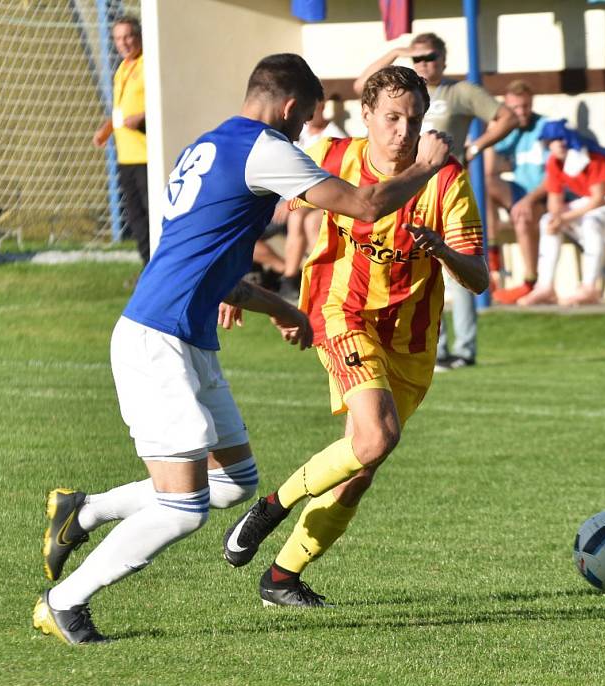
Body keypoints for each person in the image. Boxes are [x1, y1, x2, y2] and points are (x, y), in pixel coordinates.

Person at [32, 53, 451, 645]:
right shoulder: (266, 148)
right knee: (184, 508)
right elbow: (366, 205)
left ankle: (86, 510)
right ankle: (64, 601)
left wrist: (282, 308)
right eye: (306, 119)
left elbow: (206, 263)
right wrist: (428, 167)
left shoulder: (206, 147)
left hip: (187, 337)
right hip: (157, 339)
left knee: (233, 482)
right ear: (287, 108)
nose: (307, 131)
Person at [222, 66, 489, 608]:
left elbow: (479, 277)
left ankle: (282, 577)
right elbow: (258, 205)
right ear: (366, 116)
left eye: (413, 119)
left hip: (411, 341)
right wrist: (230, 282)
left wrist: (442, 251)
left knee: (362, 465)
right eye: (391, 118)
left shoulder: (445, 179)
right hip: (341, 313)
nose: (403, 131)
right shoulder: (334, 157)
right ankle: (273, 506)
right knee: (375, 438)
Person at [353, 32, 516, 372]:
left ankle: (465, 347)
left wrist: (475, 147)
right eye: (418, 58)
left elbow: (507, 117)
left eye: (430, 57)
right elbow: (362, 88)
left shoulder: (461, 92)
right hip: (410, 185)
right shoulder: (407, 93)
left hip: (446, 186)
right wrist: (396, 51)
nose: (424, 63)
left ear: (444, 59)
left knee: (460, 261)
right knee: (416, 264)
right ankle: (433, 345)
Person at [518, 119, 605, 307]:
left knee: (592, 221)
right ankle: (545, 287)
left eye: (563, 138)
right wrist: (556, 218)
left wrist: (564, 218)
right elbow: (555, 199)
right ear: (547, 143)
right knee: (547, 221)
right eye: (554, 140)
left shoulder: (593, 157)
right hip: (600, 201)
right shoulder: (554, 162)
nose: (560, 143)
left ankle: (589, 288)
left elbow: (598, 199)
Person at [280, 97, 350, 302]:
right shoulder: (300, 133)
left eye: (314, 109)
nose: (309, 116)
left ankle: (309, 279)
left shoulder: (336, 136)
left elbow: (336, 176)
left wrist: (292, 201)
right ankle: (291, 277)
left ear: (322, 107)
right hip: (297, 197)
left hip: (321, 197)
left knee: (307, 222)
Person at [92, 15, 150, 265]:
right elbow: (121, 111)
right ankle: (147, 270)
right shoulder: (123, 69)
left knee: (152, 216)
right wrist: (107, 129)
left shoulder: (149, 63)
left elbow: (162, 101)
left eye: (128, 36)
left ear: (138, 36)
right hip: (126, 157)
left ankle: (159, 273)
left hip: (147, 156)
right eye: (118, 38)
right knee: (135, 219)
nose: (123, 42)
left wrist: (143, 118)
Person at [485, 80, 549, 304]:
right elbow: (488, 170)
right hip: (519, 194)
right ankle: (492, 257)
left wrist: (529, 200)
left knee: (522, 217)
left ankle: (530, 282)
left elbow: (556, 177)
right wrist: (493, 133)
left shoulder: (545, 127)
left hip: (544, 196)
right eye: (515, 108)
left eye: (526, 106)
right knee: (484, 184)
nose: (522, 112)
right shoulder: (509, 130)